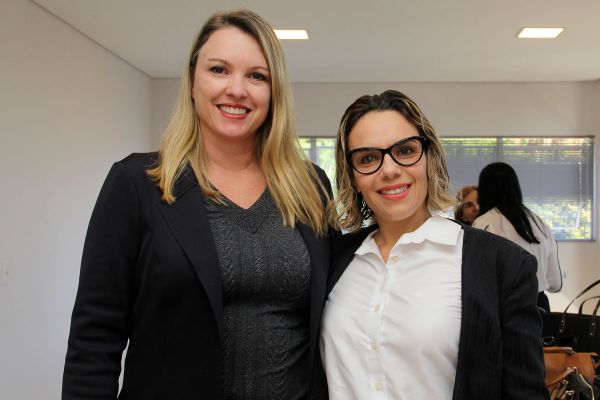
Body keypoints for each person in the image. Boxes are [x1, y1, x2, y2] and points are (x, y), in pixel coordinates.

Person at [62, 9, 333, 400]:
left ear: (274, 93)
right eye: (219, 69)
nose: (237, 89)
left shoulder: (310, 186)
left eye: (257, 76)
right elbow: (94, 339)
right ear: (192, 81)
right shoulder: (137, 183)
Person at [320, 90, 548, 399]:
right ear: (352, 176)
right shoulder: (330, 259)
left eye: (405, 150)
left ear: (430, 158)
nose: (389, 170)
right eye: (368, 158)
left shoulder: (502, 265)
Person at [473, 162, 562, 313]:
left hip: (503, 309)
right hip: (540, 308)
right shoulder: (540, 224)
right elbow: (556, 283)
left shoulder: (484, 223)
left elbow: (477, 280)